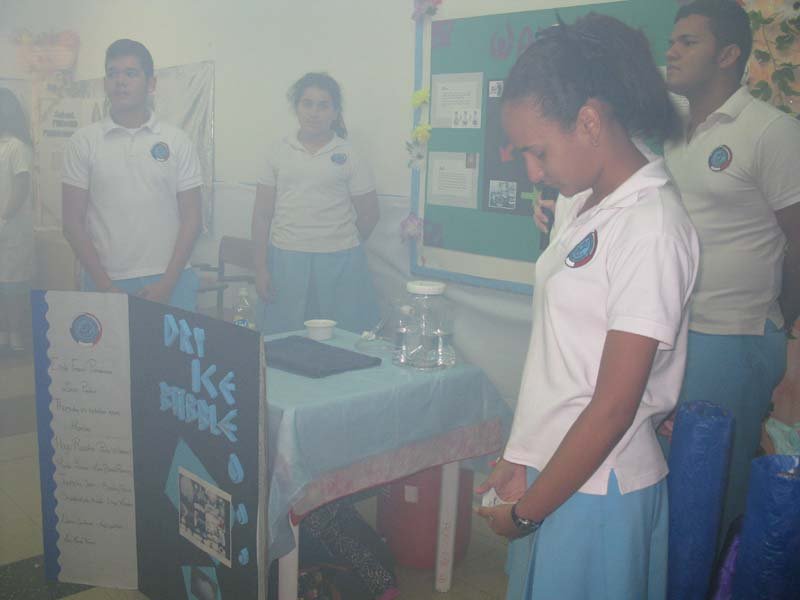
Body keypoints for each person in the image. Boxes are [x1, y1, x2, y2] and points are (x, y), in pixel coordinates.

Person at [475, 13, 699, 600]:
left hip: (600, 484)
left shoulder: (651, 228)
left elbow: (613, 408)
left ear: (590, 121)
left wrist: (526, 513)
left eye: (538, 152)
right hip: (557, 470)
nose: (533, 172)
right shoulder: (580, 202)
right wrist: (522, 452)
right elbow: (560, 356)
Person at [661, 0, 800, 540]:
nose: (672, 51)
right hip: (667, 331)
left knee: (714, 495)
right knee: (669, 487)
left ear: (727, 55)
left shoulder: (770, 131)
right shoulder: (668, 129)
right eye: (672, 40)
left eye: (688, 41)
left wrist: (776, 322)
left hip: (734, 336)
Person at [62, 39, 203, 311]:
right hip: (105, 280)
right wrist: (106, 286)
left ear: (151, 84)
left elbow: (193, 218)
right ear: (105, 83)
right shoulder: (83, 142)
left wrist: (168, 283)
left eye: (130, 73)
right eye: (112, 73)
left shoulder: (177, 140)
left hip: (172, 278)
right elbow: (72, 223)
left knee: (170, 342)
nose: (120, 82)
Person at [251, 72, 380, 335]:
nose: (314, 112)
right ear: (296, 108)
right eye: (307, 103)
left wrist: (339, 241)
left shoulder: (349, 154)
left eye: (323, 105)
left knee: (343, 341)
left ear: (335, 112)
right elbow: (262, 215)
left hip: (341, 262)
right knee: (285, 341)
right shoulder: (277, 151)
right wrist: (261, 268)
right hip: (286, 259)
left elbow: (370, 214)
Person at [0, 88, 33, 353]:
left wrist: (3, 217)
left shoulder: (17, 147)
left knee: (12, 286)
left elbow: (21, 188)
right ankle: (3, 335)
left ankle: (15, 337)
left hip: (12, 230)